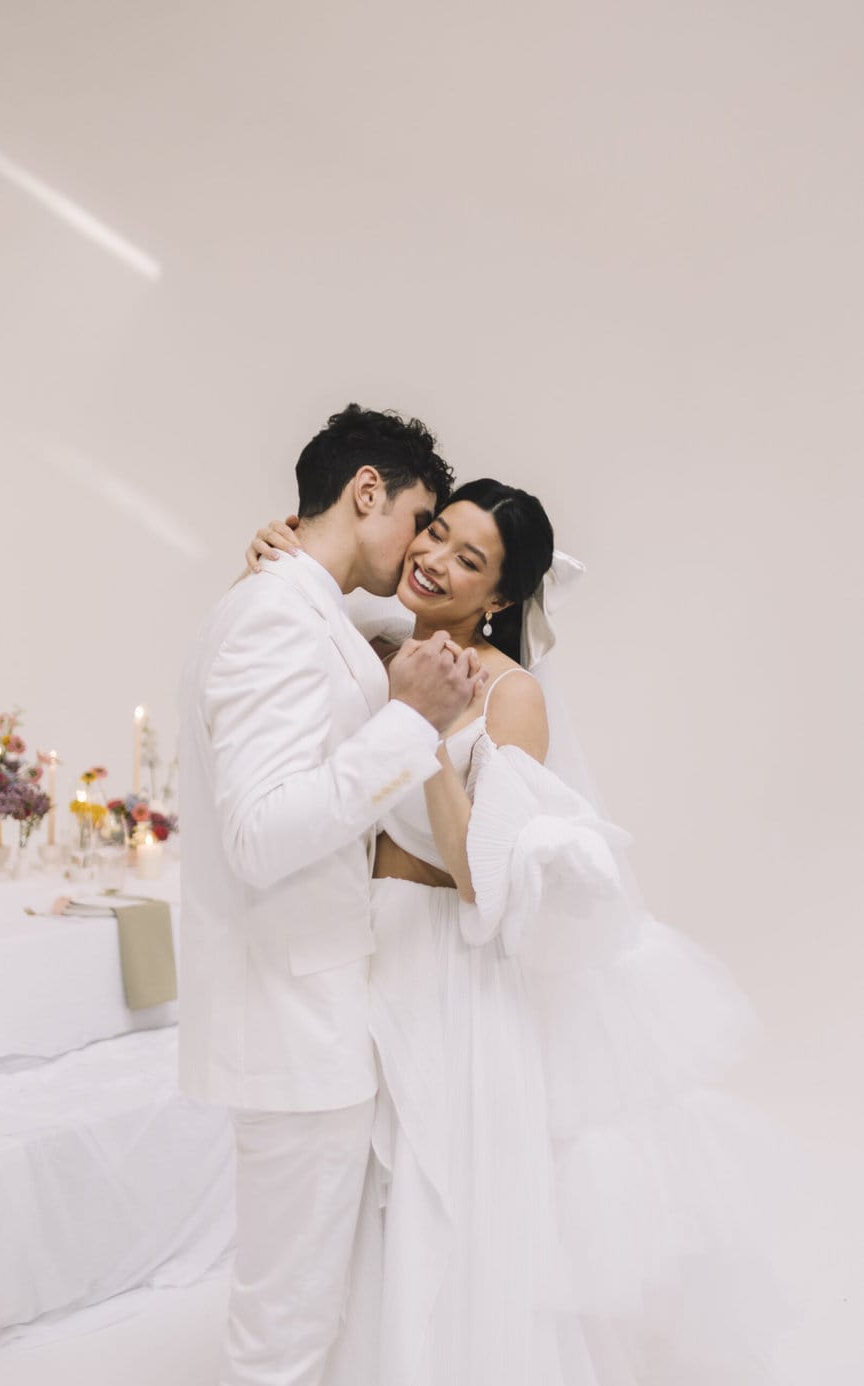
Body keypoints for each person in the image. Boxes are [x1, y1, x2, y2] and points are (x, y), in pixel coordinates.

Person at [246, 481, 787, 1385]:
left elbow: (480, 876)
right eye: (437, 534)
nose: (434, 561)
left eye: (470, 561)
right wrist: (275, 549)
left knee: (433, 1192)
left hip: (443, 963)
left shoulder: (509, 696)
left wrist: (422, 732)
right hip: (357, 944)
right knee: (349, 1189)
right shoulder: (370, 645)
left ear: (499, 599)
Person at [177, 404, 489, 1386]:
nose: (419, 550)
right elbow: (263, 835)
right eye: (421, 519)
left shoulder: (301, 605)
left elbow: (398, 632)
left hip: (319, 1020)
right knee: (286, 1330)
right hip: (293, 1025)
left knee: (313, 1313)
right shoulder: (275, 614)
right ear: (367, 493)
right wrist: (408, 725)